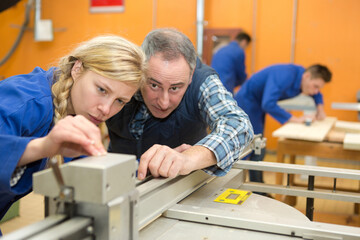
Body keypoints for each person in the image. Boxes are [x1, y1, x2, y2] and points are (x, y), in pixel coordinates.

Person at [0, 35, 146, 226]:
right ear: (77, 69)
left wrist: (148, 166)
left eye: (120, 101)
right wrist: (44, 147)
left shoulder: (73, 113)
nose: (106, 109)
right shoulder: (24, 100)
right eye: (102, 90)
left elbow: (84, 163)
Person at [106, 28, 254, 181]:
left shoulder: (202, 81)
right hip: (116, 180)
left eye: (175, 88)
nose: (163, 102)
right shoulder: (122, 71)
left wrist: (188, 159)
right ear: (140, 69)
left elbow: (239, 125)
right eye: (154, 85)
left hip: (180, 186)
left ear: (190, 76)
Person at [234, 64, 332, 183]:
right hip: (246, 103)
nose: (315, 91)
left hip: (258, 106)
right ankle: (233, 186)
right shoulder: (285, 75)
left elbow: (317, 94)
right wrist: (295, 119)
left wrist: (320, 109)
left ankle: (257, 188)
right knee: (250, 148)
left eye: (319, 88)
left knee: (258, 148)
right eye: (315, 86)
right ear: (307, 76)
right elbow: (268, 103)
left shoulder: (304, 78)